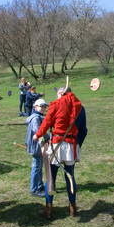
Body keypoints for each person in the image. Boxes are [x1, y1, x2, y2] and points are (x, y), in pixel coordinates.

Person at [33, 87, 81, 219]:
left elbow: (47, 122)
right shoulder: (77, 106)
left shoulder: (56, 104)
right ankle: (72, 208)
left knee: (50, 177)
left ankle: (48, 210)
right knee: (70, 177)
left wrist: (37, 135)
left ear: (61, 94)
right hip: (71, 146)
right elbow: (82, 128)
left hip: (58, 145)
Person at [25, 99, 49, 198]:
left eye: (44, 106)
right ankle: (34, 189)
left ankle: (39, 185)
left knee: (39, 166)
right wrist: (48, 137)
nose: (43, 108)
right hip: (36, 146)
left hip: (37, 145)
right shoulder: (35, 118)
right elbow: (38, 131)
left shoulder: (38, 117)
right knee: (36, 167)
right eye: (41, 106)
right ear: (35, 107)